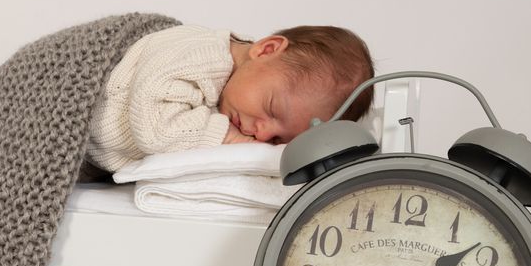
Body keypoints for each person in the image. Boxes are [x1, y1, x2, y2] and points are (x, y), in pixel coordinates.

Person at [85, 23, 374, 173]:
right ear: (266, 50)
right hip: (65, 107)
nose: (261, 134)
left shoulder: (234, 87)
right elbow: (157, 129)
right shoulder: (201, 55)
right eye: (271, 109)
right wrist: (232, 139)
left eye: (277, 140)